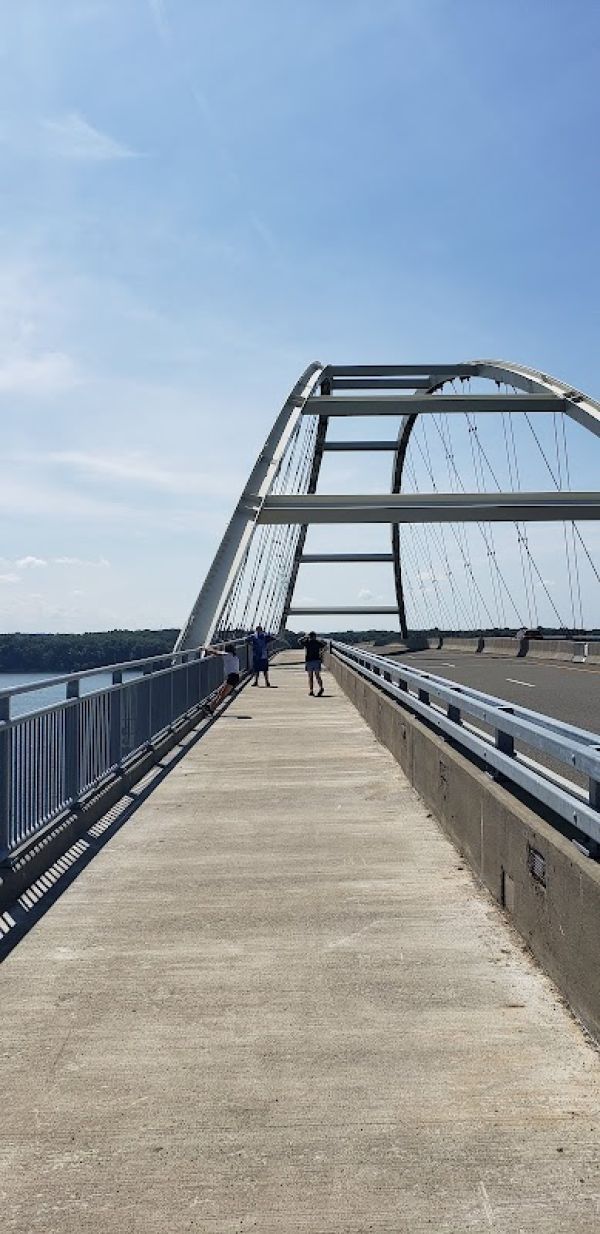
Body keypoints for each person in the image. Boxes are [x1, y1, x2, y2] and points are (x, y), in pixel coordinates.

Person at [201, 642, 240, 715]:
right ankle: (210, 706)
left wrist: (207, 648)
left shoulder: (228, 655)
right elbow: (217, 653)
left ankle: (212, 709)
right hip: (233, 677)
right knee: (220, 692)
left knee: (222, 694)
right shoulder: (233, 655)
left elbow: (216, 652)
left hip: (232, 677)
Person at [300, 630, 326, 696]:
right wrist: (321, 652)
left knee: (310, 677)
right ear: (315, 636)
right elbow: (325, 645)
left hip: (309, 661)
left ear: (309, 636)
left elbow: (299, 641)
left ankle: (311, 691)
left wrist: (305, 637)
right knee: (317, 676)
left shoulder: (307, 642)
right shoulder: (317, 642)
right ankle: (321, 687)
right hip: (317, 660)